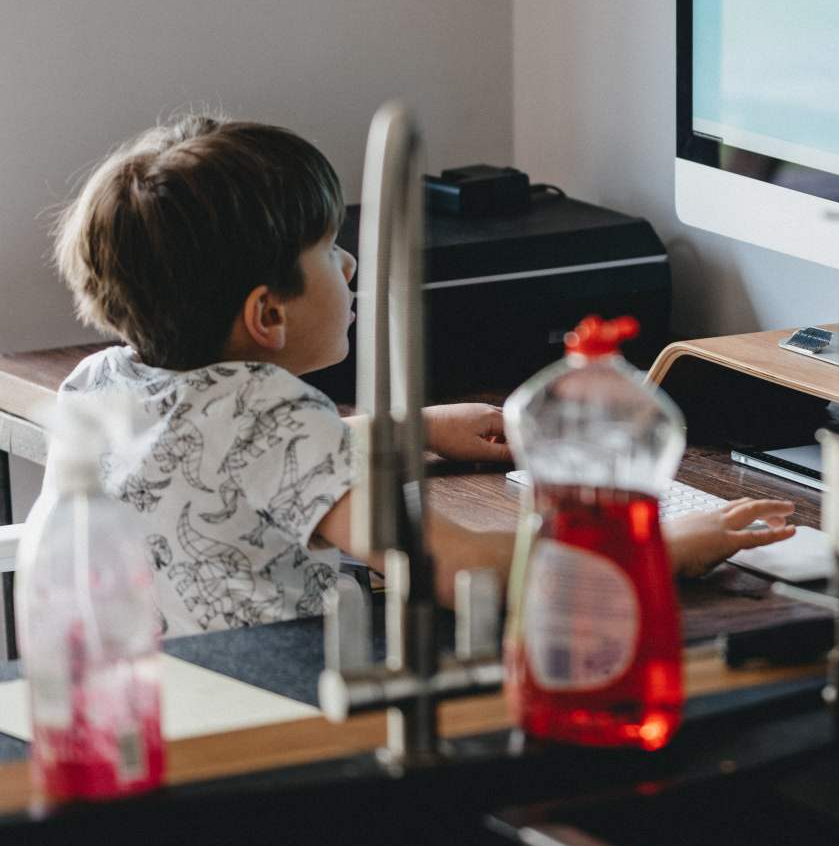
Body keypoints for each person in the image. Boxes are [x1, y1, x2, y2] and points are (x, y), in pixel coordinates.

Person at [46, 116, 795, 636]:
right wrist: (666, 546)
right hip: (268, 730)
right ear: (266, 315)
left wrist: (411, 430)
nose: (349, 264)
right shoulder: (275, 415)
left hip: (154, 716)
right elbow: (460, 568)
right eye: (329, 251)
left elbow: (218, 454)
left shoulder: (99, 384)